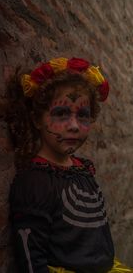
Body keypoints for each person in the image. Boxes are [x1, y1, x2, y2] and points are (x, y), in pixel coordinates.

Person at [9, 57, 133, 273]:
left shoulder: (82, 168)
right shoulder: (36, 181)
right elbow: (31, 259)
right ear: (37, 119)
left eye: (83, 115)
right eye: (61, 113)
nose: (74, 126)